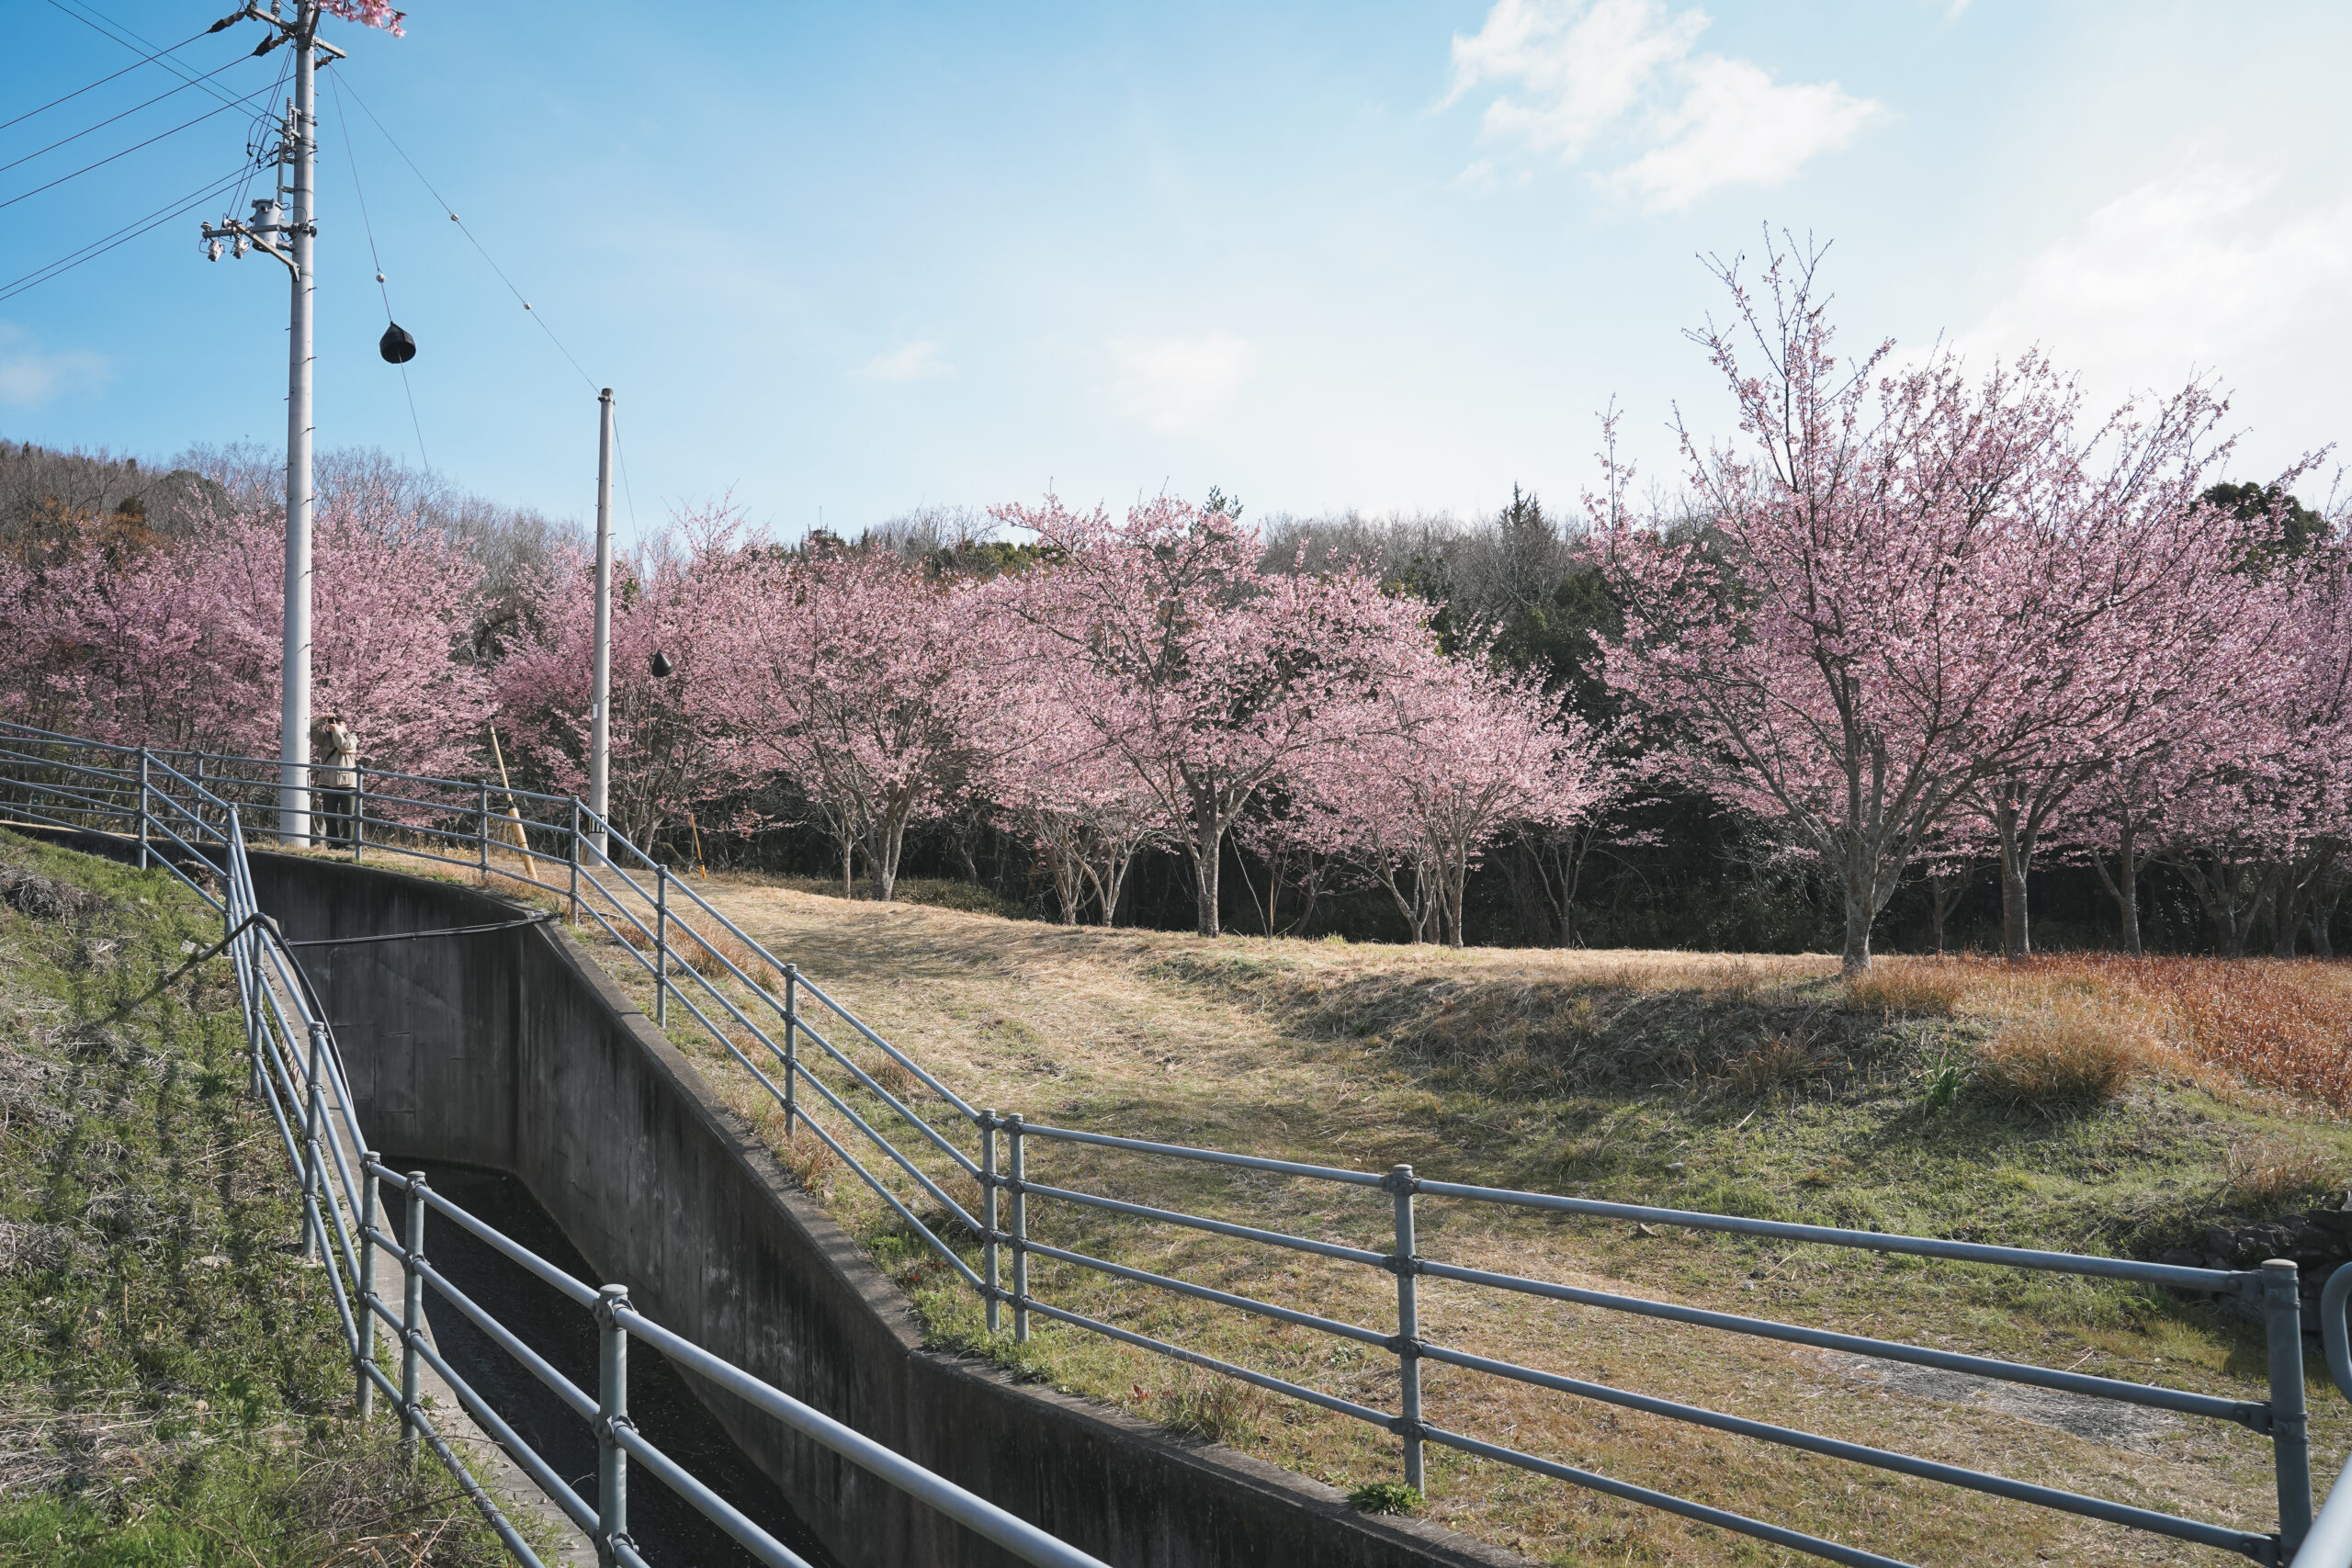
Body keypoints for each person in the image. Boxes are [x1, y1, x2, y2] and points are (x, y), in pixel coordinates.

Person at [313, 713, 360, 849]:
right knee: (329, 815)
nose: (336, 725)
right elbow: (311, 730)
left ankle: (349, 844)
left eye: (340, 723)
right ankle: (334, 843)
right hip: (327, 781)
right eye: (334, 722)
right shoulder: (325, 739)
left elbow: (343, 746)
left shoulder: (352, 738)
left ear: (346, 726)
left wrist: (336, 731)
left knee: (348, 816)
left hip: (346, 782)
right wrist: (321, 718)